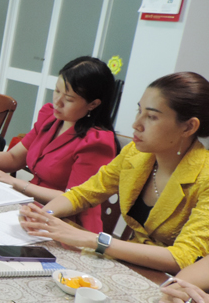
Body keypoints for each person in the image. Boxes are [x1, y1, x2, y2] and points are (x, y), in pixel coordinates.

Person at [19, 72, 209, 273]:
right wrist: (44, 216)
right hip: (130, 265)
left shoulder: (204, 177)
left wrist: (95, 240)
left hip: (174, 283)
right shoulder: (135, 154)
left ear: (189, 127)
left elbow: (184, 257)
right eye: (139, 111)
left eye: (152, 117)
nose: (136, 124)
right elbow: (83, 193)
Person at [0, 57, 117, 233]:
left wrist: (14, 182)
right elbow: (14, 157)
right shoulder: (51, 117)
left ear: (93, 104)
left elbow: (74, 198)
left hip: (67, 224)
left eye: (69, 99)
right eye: (56, 91)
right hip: (31, 208)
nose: (58, 101)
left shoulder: (96, 141)